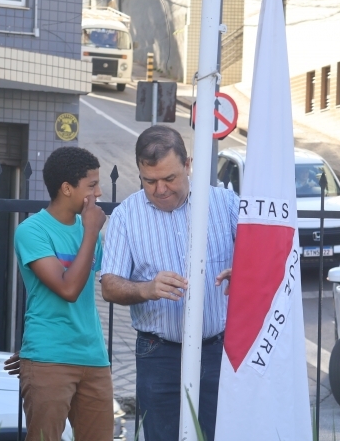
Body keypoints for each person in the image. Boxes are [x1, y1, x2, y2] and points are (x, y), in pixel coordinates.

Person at [100, 125, 238, 441]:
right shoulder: (126, 215)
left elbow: (262, 256)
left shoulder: (224, 203)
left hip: (218, 350)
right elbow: (109, 285)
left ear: (188, 165)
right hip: (158, 355)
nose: (160, 189)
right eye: (149, 181)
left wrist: (243, 272)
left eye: (169, 178)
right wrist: (145, 289)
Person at [6, 146, 113, 441]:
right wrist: (91, 232)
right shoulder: (32, 231)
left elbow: (105, 282)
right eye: (92, 185)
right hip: (50, 359)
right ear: (67, 188)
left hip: (94, 357)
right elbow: (68, 289)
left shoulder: (87, 229)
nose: (98, 192)